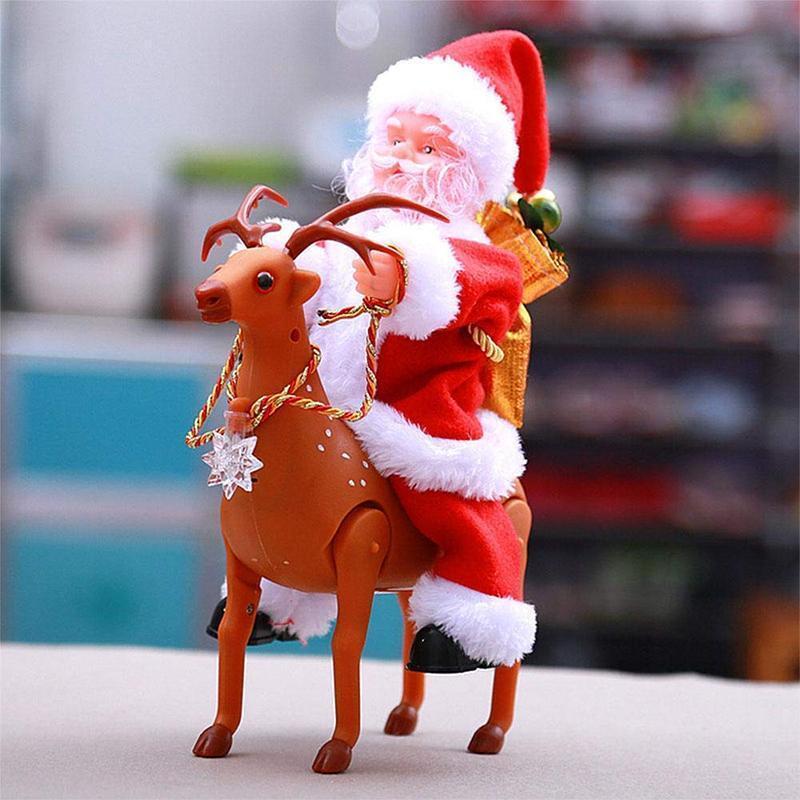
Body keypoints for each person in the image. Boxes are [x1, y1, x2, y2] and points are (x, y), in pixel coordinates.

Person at [207, 30, 549, 672]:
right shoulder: (353, 228)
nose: (403, 158)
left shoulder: (469, 245)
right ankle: (278, 592)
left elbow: (489, 288)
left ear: (471, 170)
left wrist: (410, 276)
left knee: (444, 497)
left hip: (418, 405)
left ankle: (476, 609)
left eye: (428, 147)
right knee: (282, 472)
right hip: (330, 395)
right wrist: (277, 257)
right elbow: (314, 273)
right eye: (394, 140)